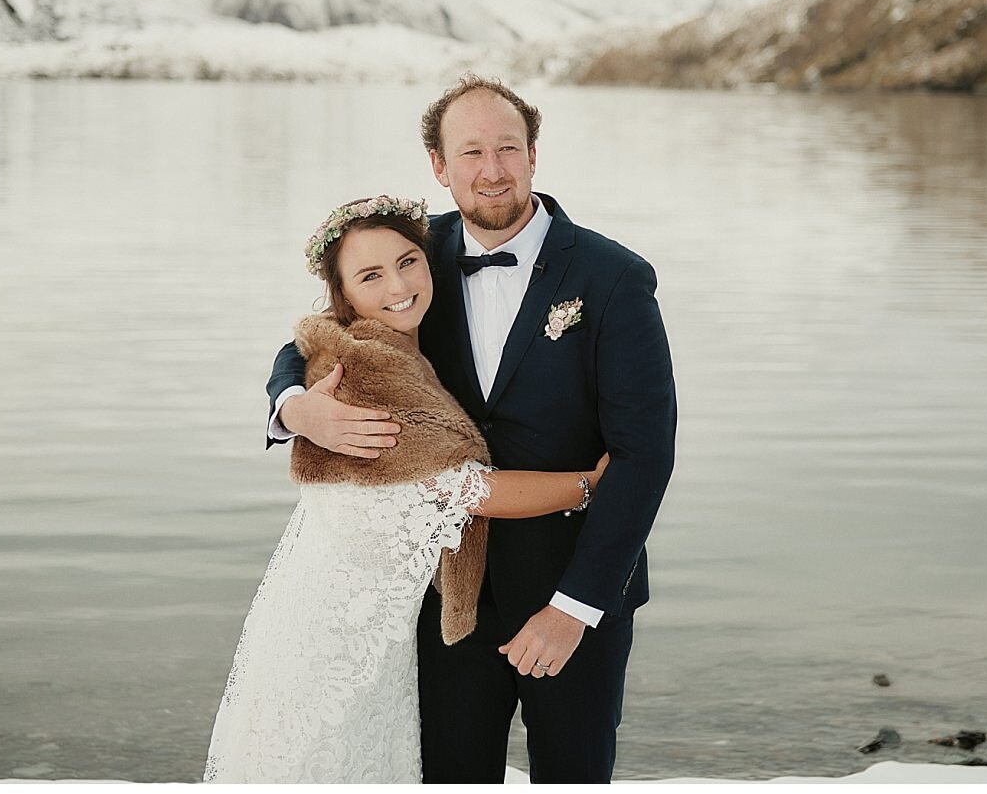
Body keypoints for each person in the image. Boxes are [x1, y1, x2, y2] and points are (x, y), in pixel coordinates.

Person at [266, 74, 677, 782]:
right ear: (438, 165)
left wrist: (575, 608)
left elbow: (645, 456)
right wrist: (294, 406)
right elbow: (313, 338)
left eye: (508, 148)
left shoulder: (613, 277)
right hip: (446, 599)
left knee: (574, 777)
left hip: (572, 596)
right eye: (472, 152)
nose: (492, 170)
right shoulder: (412, 258)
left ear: (534, 154)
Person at [204, 196, 609, 784]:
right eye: (371, 276)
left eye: (407, 262)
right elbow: (463, 490)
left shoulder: (425, 284)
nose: (398, 283)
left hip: (381, 622)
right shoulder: (364, 371)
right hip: (341, 629)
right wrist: (587, 487)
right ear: (342, 296)